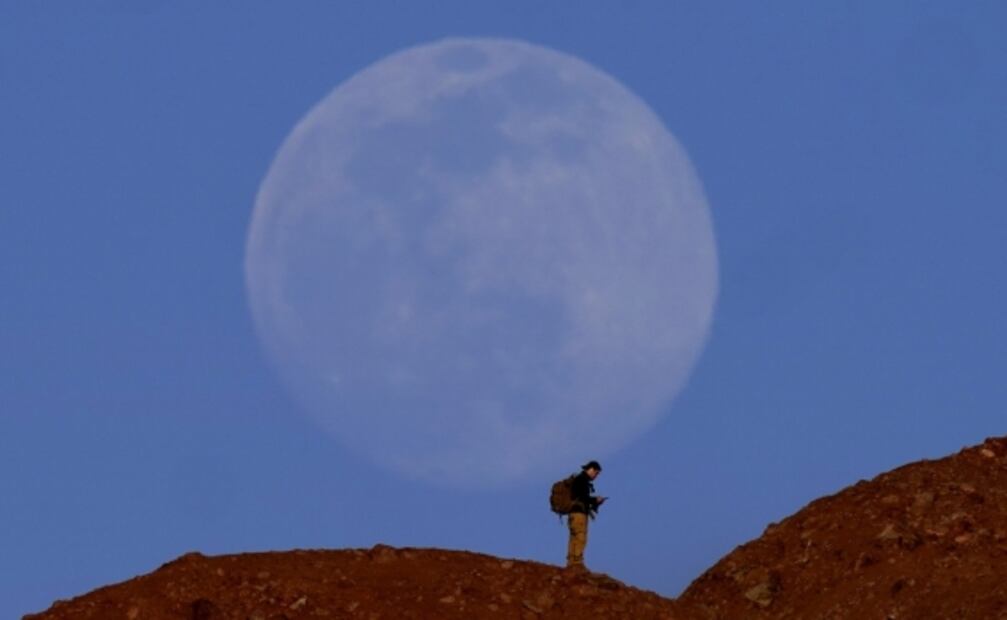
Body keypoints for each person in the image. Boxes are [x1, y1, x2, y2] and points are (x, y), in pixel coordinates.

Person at [566, 460, 607, 570]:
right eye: (597, 473)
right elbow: (583, 498)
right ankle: (577, 563)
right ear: (591, 469)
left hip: (572, 513)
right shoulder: (582, 480)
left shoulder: (579, 479)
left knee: (574, 537)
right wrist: (595, 500)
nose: (596, 476)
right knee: (580, 536)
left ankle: (571, 562)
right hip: (579, 514)